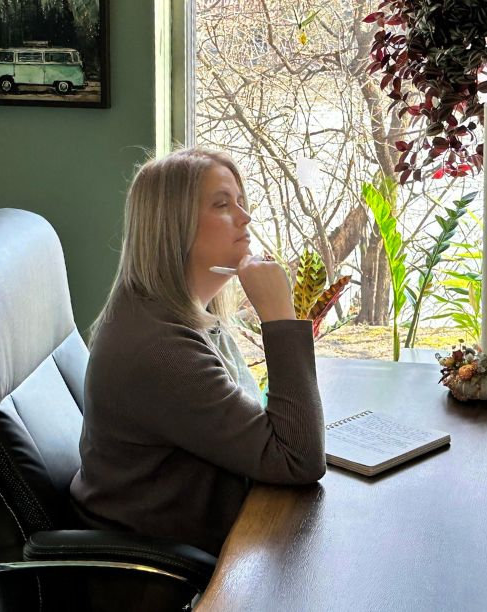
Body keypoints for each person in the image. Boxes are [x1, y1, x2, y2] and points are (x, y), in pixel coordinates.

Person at [70, 148, 326, 557]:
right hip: (166, 571)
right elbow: (298, 459)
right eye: (223, 204)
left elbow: (259, 419)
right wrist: (280, 317)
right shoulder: (160, 349)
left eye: (241, 202)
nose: (245, 218)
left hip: (220, 523)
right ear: (174, 227)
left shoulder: (181, 306)